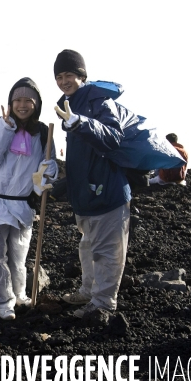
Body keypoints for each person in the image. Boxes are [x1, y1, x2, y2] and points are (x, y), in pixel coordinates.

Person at [53, 49, 131, 319]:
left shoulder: (98, 99)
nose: (64, 81)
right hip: (86, 196)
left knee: (107, 251)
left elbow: (112, 137)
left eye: (70, 75)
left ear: (82, 76)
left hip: (107, 193)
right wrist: (60, 186)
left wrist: (79, 122)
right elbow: (80, 159)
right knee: (87, 247)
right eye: (59, 76)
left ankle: (103, 305)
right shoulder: (69, 104)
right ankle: (88, 292)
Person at [0, 77, 57, 321]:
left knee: (18, 257)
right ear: (10, 103)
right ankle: (4, 301)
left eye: (28, 101)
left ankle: (20, 294)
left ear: (36, 104)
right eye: (17, 100)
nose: (22, 105)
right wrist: (5, 127)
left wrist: (49, 170)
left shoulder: (42, 133)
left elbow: (44, 174)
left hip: (22, 206)